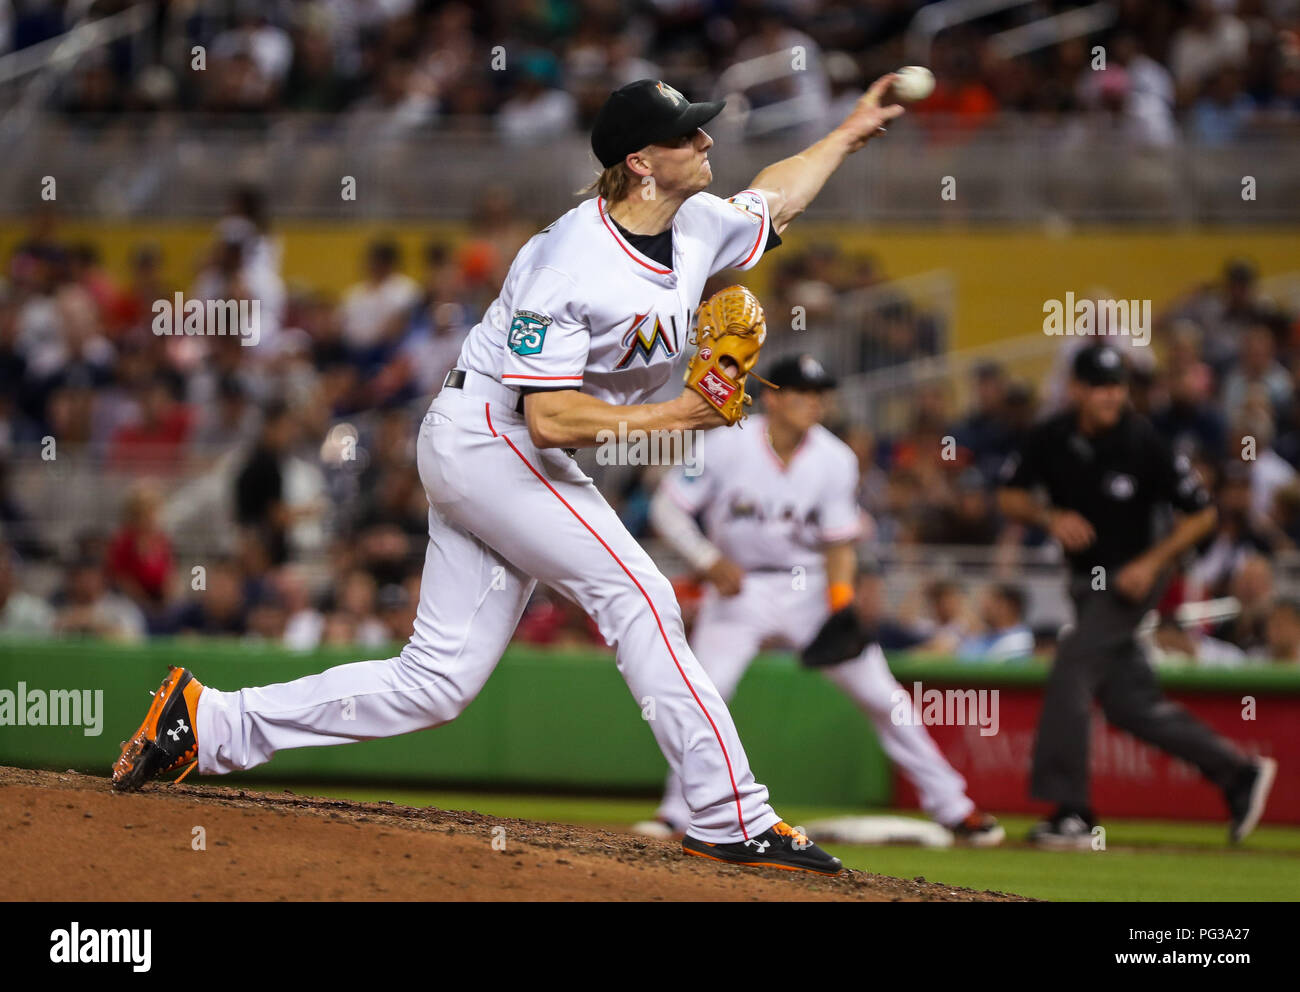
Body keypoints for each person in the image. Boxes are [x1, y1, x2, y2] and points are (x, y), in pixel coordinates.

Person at [112, 75, 906, 876]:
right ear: (640, 162)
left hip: (510, 448)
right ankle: (731, 813)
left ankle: (205, 723)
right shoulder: (571, 260)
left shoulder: (696, 222)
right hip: (491, 436)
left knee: (438, 682)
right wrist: (680, 418)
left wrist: (848, 132)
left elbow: (777, 198)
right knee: (638, 593)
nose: (707, 143)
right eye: (688, 134)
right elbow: (550, 419)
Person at [639, 355, 1004, 845]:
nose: (814, 402)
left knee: (884, 697)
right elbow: (667, 507)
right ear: (773, 397)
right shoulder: (726, 444)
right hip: (740, 588)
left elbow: (839, 543)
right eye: (802, 392)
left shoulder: (836, 458)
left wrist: (840, 603)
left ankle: (955, 808)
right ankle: (676, 811)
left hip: (809, 587)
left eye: (819, 394)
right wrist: (705, 560)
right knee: (707, 691)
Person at [998, 343, 1277, 847]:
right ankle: (1237, 773)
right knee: (1129, 705)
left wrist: (1150, 564)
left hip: (1131, 583)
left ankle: (1073, 814)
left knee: (1071, 667)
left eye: (1118, 386)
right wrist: (1048, 517)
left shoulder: (1144, 442)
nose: (1111, 396)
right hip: (1085, 585)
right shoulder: (1051, 436)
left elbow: (1203, 514)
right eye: (1101, 386)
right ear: (1077, 389)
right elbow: (1010, 494)